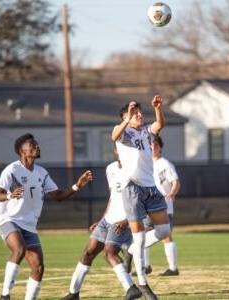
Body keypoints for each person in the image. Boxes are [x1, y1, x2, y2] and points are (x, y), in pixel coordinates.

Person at [0, 133, 92, 300]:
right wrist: (10, 195)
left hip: (29, 225)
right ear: (22, 151)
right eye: (32, 145)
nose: (37, 146)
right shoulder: (12, 170)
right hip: (9, 220)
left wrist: (77, 186)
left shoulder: (41, 172)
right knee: (19, 249)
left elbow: (59, 196)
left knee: (38, 268)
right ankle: (5, 296)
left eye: (37, 144)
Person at [112, 96, 171, 300]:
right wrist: (127, 118)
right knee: (140, 236)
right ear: (125, 117)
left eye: (139, 112)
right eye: (133, 112)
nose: (138, 114)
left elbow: (160, 124)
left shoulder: (146, 131)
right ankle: (144, 284)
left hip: (151, 187)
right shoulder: (123, 131)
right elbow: (114, 135)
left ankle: (132, 249)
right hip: (133, 188)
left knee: (164, 231)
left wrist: (158, 108)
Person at [62, 151, 142, 300]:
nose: (120, 150)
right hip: (107, 219)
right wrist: (101, 220)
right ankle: (73, 293)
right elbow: (113, 198)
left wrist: (126, 221)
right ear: (114, 151)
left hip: (123, 221)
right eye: (117, 147)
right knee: (88, 252)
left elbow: (141, 201)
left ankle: (131, 288)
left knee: (109, 252)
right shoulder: (110, 169)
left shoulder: (136, 171)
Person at [142, 136, 181, 276]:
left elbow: (176, 181)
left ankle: (173, 268)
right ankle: (145, 266)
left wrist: (172, 192)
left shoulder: (164, 164)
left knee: (166, 236)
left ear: (160, 148)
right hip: (148, 207)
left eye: (155, 145)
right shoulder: (146, 164)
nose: (153, 147)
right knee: (143, 235)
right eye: (150, 145)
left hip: (163, 207)